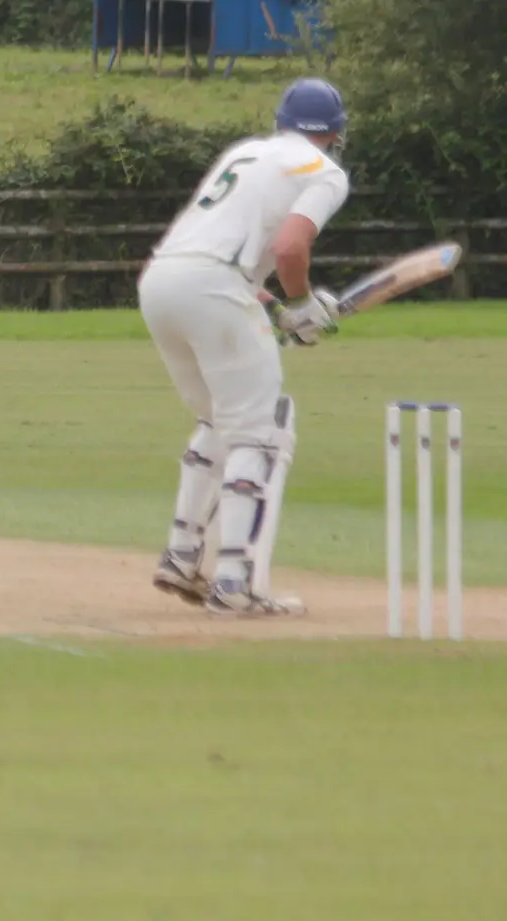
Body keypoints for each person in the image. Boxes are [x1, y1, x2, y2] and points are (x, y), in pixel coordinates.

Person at [139, 77, 350, 617]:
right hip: (214, 287)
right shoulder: (324, 172)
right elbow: (288, 246)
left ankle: (183, 555)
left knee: (221, 418)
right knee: (263, 429)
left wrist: (279, 310)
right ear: (334, 133)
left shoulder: (247, 152)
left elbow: (218, 254)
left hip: (163, 281)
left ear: (281, 121)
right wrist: (302, 305)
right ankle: (237, 584)